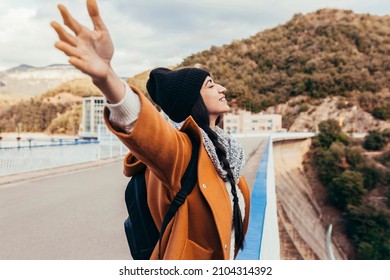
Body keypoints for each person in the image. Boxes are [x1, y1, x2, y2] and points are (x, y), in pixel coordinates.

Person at [51, 0, 250, 260]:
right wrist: (107, 77)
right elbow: (145, 127)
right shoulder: (181, 152)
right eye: (211, 85)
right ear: (193, 101)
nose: (222, 88)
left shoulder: (226, 152)